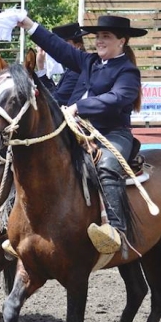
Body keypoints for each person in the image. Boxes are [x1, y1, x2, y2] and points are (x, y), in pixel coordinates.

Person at [18, 14, 147, 253]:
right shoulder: (88, 62)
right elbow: (57, 47)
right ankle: (11, 221)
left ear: (122, 40)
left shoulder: (128, 71)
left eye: (105, 36)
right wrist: (29, 25)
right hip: (75, 130)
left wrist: (80, 107)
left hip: (111, 133)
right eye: (97, 36)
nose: (99, 41)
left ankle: (117, 231)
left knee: (107, 165)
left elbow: (118, 98)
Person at [36, 22, 87, 107]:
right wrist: (41, 67)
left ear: (77, 46)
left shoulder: (77, 71)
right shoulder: (72, 68)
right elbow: (55, 92)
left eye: (63, 45)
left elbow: (56, 101)